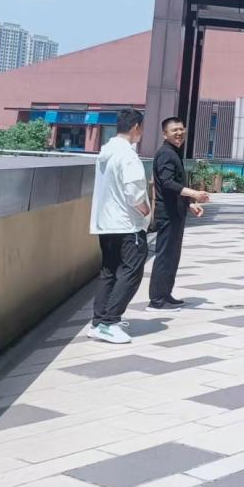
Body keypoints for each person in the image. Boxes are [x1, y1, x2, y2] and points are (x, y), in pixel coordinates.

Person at [88, 108, 152, 344]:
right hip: (127, 225)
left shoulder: (106, 152)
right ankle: (109, 322)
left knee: (109, 271)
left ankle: (98, 322)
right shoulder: (128, 155)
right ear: (136, 127)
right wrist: (145, 211)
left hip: (106, 224)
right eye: (141, 128)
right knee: (131, 271)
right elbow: (134, 192)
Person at [148, 116, 210, 309]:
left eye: (181, 129)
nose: (179, 133)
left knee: (172, 256)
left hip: (175, 212)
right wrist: (194, 194)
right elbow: (167, 183)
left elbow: (173, 188)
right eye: (174, 130)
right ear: (164, 134)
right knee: (165, 256)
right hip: (167, 214)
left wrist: (189, 204)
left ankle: (165, 295)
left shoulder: (173, 152)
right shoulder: (166, 154)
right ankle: (157, 300)